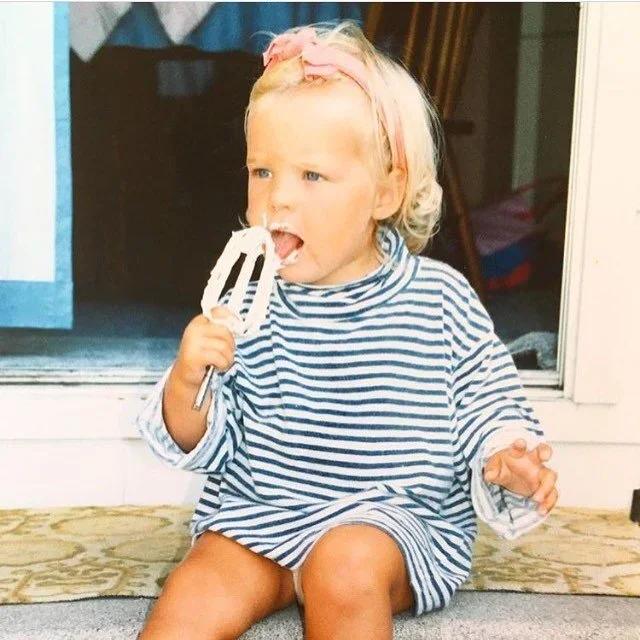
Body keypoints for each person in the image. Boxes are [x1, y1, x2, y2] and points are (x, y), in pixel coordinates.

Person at [136, 21, 558, 640]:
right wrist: (186, 380)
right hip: (264, 513)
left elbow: (488, 400)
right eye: (262, 173)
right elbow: (206, 438)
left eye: (311, 176)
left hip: (392, 524)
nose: (277, 200)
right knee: (194, 589)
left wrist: (507, 455)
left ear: (386, 190)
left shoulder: (439, 298)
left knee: (344, 564)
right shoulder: (245, 301)